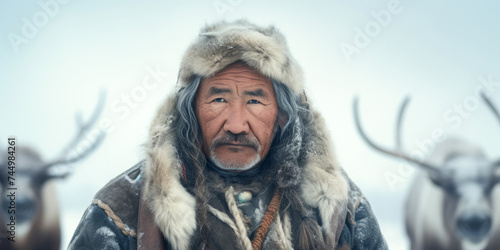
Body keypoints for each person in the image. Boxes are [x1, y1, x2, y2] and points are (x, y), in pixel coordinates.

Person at [68, 19, 387, 250]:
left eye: (255, 100)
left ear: (283, 116)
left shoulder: (339, 207)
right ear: (190, 109)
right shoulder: (122, 206)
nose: (236, 124)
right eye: (218, 99)